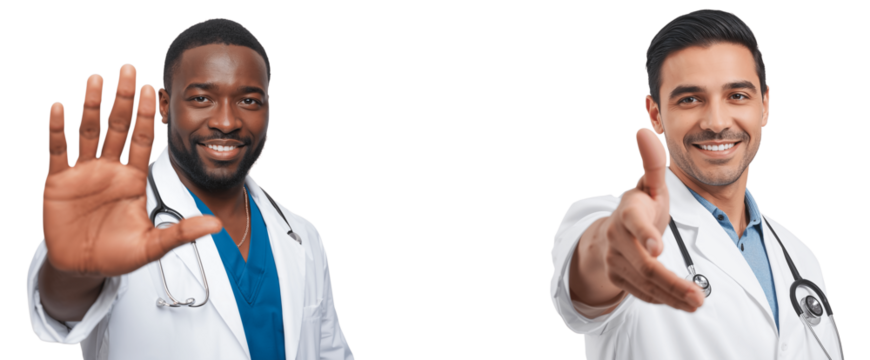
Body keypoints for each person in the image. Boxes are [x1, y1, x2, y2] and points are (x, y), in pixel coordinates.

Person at [30, 17, 354, 359]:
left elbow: (331, 353)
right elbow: (61, 309)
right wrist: (75, 269)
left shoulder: (302, 236)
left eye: (249, 101)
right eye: (202, 99)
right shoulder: (112, 219)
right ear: (166, 106)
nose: (226, 122)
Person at [549, 8, 842, 359]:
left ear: (764, 105)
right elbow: (591, 273)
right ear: (656, 114)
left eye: (737, 95)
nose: (717, 122)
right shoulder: (615, 220)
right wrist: (607, 247)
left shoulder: (800, 256)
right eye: (690, 99)